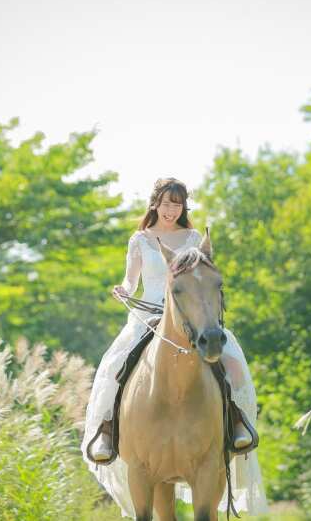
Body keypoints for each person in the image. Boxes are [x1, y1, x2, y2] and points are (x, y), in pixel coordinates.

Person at [81, 177, 268, 517]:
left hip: (193, 314)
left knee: (235, 364)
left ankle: (238, 422)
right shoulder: (139, 239)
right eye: (167, 203)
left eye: (178, 204)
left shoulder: (194, 239)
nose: (172, 210)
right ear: (155, 204)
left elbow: (202, 279)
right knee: (115, 366)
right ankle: (108, 429)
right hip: (148, 315)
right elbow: (131, 279)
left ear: (184, 207)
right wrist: (123, 289)